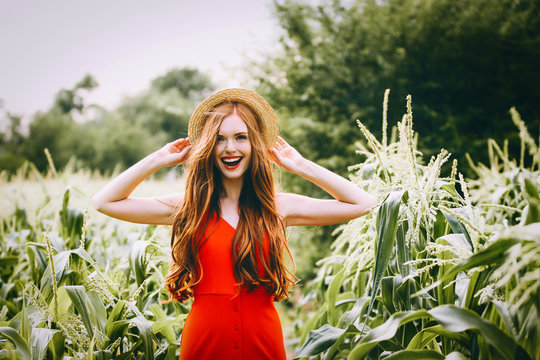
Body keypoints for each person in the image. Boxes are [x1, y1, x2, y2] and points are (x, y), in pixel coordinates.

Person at [91, 88, 376, 360]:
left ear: (255, 144)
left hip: (263, 339)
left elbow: (362, 204)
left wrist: (301, 166)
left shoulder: (277, 207)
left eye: (241, 137)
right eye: (219, 138)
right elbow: (105, 202)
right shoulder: (189, 207)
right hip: (204, 340)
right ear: (208, 145)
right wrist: (157, 159)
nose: (230, 148)